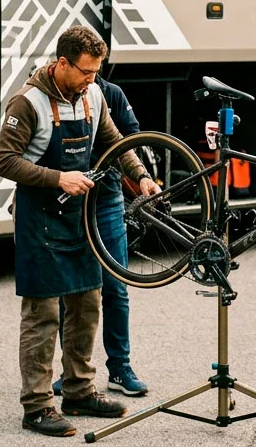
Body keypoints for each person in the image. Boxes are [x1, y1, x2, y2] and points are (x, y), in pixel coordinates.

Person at [0, 26, 157, 438]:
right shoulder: (28, 102)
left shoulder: (93, 95)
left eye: (96, 71)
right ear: (62, 64)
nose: (92, 78)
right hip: (40, 220)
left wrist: (141, 175)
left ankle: (80, 390)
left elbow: (114, 141)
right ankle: (36, 406)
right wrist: (57, 177)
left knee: (87, 303)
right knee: (43, 315)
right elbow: (3, 161)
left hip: (79, 219)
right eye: (86, 71)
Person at [51, 73, 149, 398]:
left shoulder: (111, 94)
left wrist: (141, 176)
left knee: (115, 288)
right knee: (70, 290)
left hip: (105, 199)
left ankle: (120, 368)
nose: (88, 76)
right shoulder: (55, 95)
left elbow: (128, 140)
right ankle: (72, 371)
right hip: (70, 201)